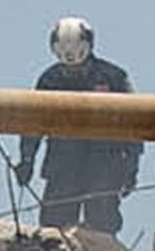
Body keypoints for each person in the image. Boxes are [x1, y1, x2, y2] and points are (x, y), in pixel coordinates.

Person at [14, 15, 142, 233]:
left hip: (104, 164)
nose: (72, 71)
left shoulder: (113, 78)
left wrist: (131, 168)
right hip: (63, 163)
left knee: (102, 225)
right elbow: (34, 123)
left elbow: (134, 124)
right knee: (54, 229)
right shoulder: (50, 81)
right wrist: (27, 160)